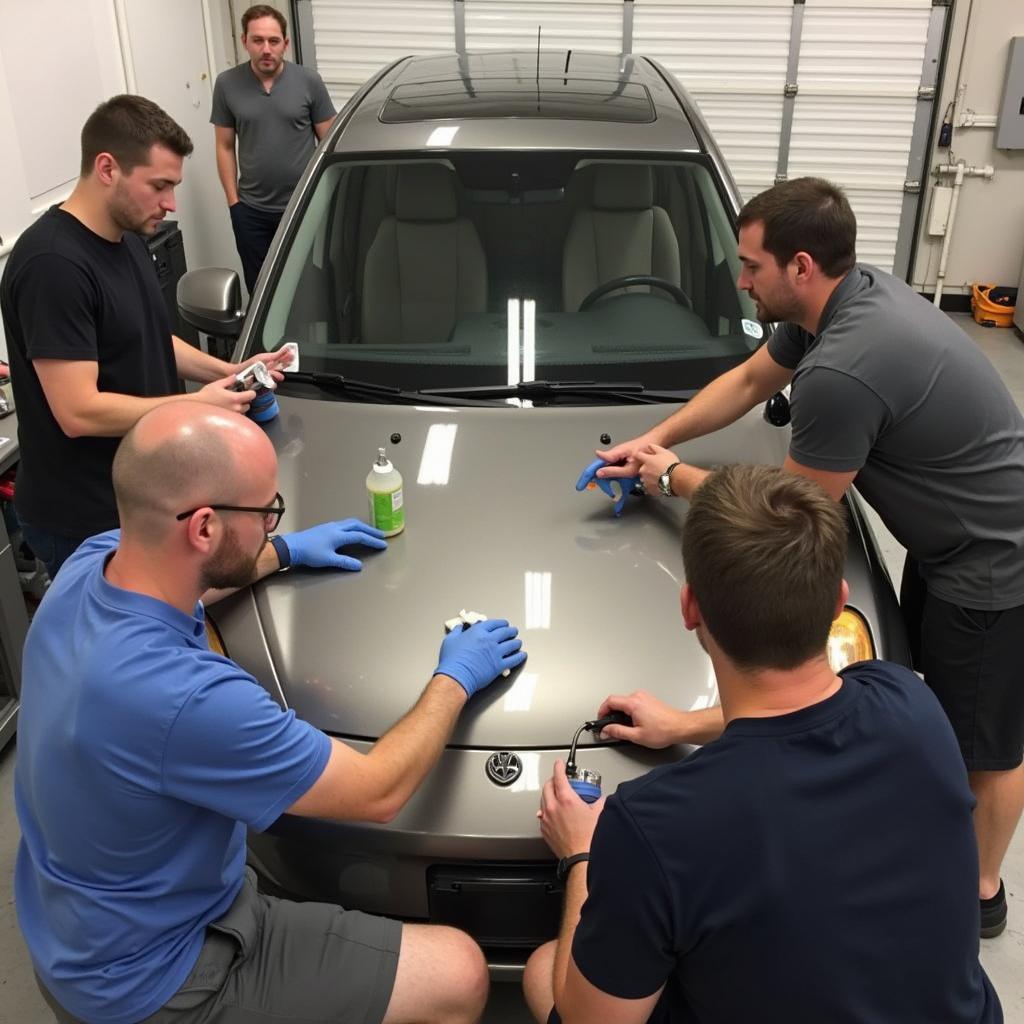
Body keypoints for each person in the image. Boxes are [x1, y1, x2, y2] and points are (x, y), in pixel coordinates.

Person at [580, 176, 1024, 938]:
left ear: (802, 267)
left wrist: (669, 478)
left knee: (988, 741)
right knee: (947, 715)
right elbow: (752, 380)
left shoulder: (842, 371)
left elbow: (791, 509)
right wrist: (660, 440)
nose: (740, 279)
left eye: (752, 267)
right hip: (950, 539)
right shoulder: (838, 306)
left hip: (992, 562)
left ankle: (977, 892)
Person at [15, 401, 527, 1024]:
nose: (271, 522)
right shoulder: (183, 697)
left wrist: (280, 551)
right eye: (266, 512)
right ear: (202, 527)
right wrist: (454, 676)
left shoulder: (89, 566)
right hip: (156, 976)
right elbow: (379, 790)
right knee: (459, 972)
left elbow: (190, 580)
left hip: (78, 923)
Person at [526, 465, 1001, 1024]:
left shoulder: (652, 826)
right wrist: (681, 725)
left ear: (690, 608)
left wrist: (584, 854)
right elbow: (797, 711)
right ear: (837, 603)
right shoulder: (910, 701)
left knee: (546, 971)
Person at [0, 94, 291, 580]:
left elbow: (151, 338)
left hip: (140, 495)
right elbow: (78, 411)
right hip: (85, 519)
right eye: (159, 186)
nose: (170, 203)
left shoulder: (126, 239)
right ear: (108, 168)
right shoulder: (53, 265)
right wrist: (195, 407)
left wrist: (230, 371)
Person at [212, 4, 336, 293]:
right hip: (250, 211)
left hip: (302, 207)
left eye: (273, 41)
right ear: (245, 41)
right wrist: (234, 203)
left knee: (307, 286)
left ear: (285, 44)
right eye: (258, 40)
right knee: (260, 288)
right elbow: (224, 146)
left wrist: (323, 198)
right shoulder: (227, 84)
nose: (266, 49)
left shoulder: (309, 82)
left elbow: (329, 145)